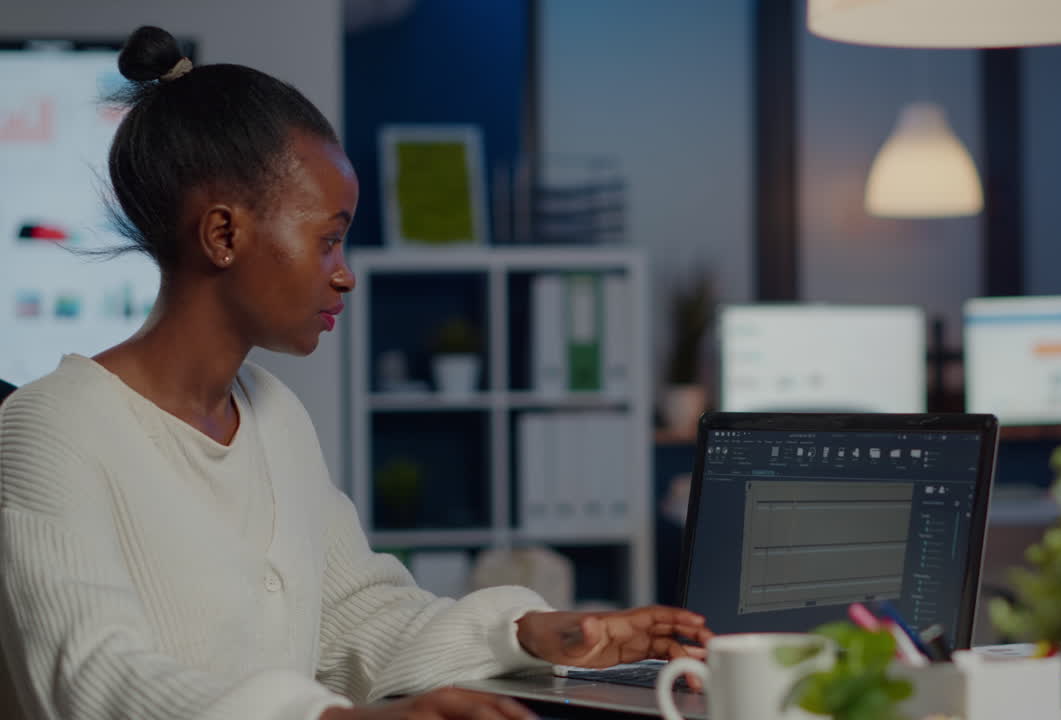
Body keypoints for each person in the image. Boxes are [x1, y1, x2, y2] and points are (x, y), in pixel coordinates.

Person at [0, 26, 711, 720]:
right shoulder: (53, 426)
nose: (344, 276)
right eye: (328, 240)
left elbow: (355, 618)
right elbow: (90, 677)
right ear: (224, 235)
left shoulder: (273, 414)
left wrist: (532, 632)